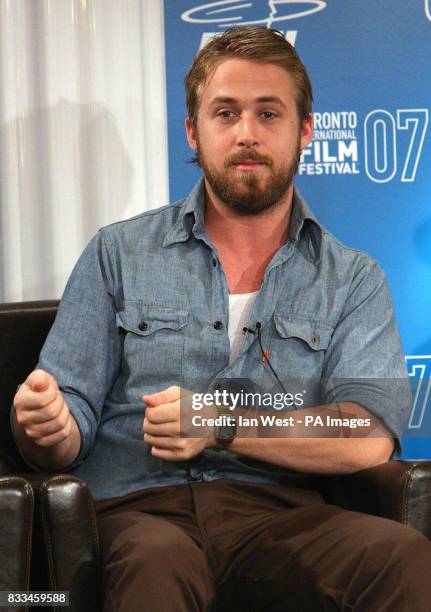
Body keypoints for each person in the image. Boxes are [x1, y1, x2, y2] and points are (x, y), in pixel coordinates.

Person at [11, 27, 431, 611]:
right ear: (194, 130)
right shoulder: (118, 253)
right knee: (158, 567)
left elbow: (366, 434)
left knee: (408, 560)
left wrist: (219, 422)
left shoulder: (352, 277)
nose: (247, 133)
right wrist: (49, 425)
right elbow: (67, 414)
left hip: (281, 520)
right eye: (226, 112)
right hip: (141, 514)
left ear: (304, 131)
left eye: (268, 113)